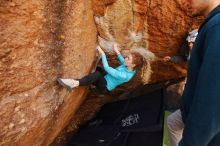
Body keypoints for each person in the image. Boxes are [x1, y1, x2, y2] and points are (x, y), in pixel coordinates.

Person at [167, 1, 220, 146]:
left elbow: (212, 99)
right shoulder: (212, 25)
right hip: (190, 114)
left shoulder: (217, 26)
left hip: (207, 136)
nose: (185, 2)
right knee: (172, 122)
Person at [57, 44, 143, 92]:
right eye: (127, 57)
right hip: (107, 77)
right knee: (99, 69)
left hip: (105, 86)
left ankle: (74, 83)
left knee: (98, 75)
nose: (125, 59)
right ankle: (91, 82)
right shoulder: (130, 68)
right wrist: (116, 51)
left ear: (133, 65)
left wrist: (103, 54)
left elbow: (107, 68)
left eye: (128, 59)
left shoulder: (124, 76)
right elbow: (122, 61)